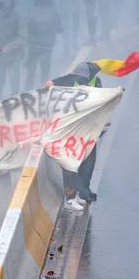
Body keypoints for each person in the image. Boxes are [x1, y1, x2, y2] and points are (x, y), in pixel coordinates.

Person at [45, 62, 101, 211]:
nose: (81, 80)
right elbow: (49, 84)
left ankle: (81, 193)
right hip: (72, 132)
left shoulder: (97, 82)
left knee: (88, 163)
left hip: (89, 131)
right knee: (70, 164)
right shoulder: (70, 79)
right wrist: (52, 85)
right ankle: (69, 198)